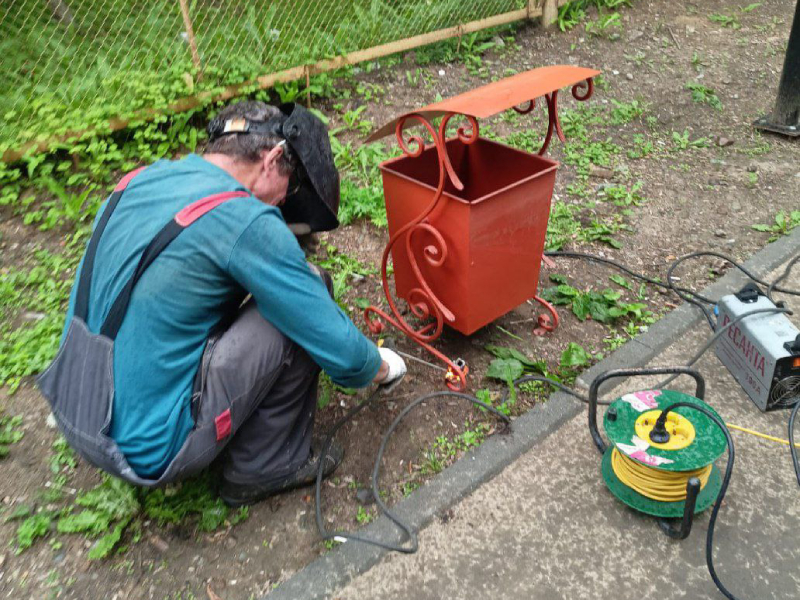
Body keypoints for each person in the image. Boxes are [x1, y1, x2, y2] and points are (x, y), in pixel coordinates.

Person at [37, 100, 406, 507]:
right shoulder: (243, 219)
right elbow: (332, 340)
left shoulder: (138, 180)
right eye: (289, 189)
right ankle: (263, 467)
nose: (283, 203)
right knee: (305, 298)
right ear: (273, 158)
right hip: (144, 448)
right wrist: (382, 366)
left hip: (78, 405)